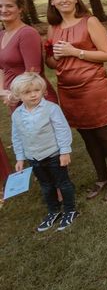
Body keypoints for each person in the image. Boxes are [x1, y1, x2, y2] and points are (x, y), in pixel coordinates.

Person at [45, 0, 107, 201]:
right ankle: (102, 176)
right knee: (86, 135)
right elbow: (50, 63)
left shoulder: (90, 22)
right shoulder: (53, 28)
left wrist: (75, 51)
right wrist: (56, 57)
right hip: (68, 90)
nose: (64, 0)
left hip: (92, 86)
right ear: (52, 1)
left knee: (103, 133)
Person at [0, 0, 58, 194]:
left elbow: (32, 71)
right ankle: (48, 187)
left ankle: (61, 191)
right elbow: (1, 68)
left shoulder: (27, 33)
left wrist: (15, 95)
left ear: (20, 9)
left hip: (33, 97)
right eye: (0, 6)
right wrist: (3, 93)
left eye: (9, 6)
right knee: (31, 143)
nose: (4, 10)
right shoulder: (1, 35)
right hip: (13, 98)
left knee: (48, 146)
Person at [10, 72, 78, 231]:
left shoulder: (51, 109)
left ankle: (70, 210)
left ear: (42, 90)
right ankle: (54, 211)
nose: (33, 95)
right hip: (34, 158)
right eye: (27, 92)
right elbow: (17, 137)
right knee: (46, 186)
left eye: (36, 90)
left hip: (54, 155)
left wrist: (65, 151)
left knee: (63, 183)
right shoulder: (17, 115)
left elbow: (62, 130)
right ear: (18, 95)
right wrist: (20, 158)